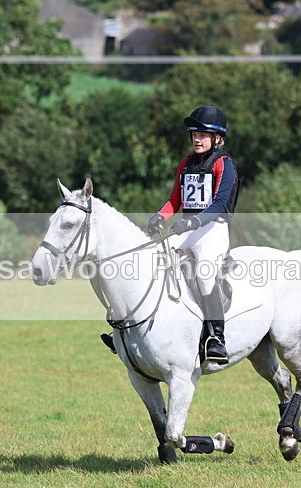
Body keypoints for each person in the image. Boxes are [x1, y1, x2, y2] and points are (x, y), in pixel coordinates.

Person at [101, 104, 239, 364]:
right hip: (188, 228)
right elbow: (174, 200)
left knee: (205, 274)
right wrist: (159, 217)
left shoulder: (225, 164)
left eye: (203, 134)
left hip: (213, 230)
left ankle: (216, 339)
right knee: (148, 260)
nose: (197, 138)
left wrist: (193, 222)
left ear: (217, 138)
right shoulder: (185, 165)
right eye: (194, 134)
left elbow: (220, 203)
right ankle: (125, 329)